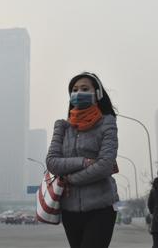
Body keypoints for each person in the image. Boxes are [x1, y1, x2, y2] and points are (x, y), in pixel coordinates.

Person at [46, 72, 119, 248]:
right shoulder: (62, 127)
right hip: (69, 209)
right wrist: (84, 162)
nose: (78, 93)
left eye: (85, 88)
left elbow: (105, 165)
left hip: (101, 208)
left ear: (97, 93)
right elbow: (52, 162)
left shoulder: (107, 123)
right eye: (74, 90)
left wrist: (70, 178)